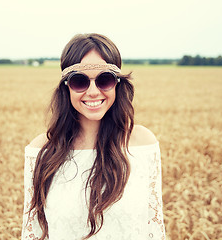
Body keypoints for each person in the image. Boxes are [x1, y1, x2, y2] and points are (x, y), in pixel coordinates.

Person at [21, 33, 166, 240]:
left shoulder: (142, 144)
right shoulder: (40, 150)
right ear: (66, 86)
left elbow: (154, 228)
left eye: (104, 80)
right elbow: (33, 233)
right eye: (79, 81)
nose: (92, 92)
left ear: (117, 83)